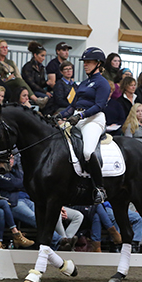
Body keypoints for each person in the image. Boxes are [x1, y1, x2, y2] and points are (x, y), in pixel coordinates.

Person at [54, 47, 109, 204]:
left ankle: (100, 188)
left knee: (87, 151)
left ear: (98, 64)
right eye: (84, 62)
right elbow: (72, 106)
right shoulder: (84, 83)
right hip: (77, 117)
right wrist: (59, 116)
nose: (85, 65)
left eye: (89, 62)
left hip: (93, 119)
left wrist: (80, 116)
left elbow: (99, 106)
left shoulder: (102, 83)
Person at [0, 39, 46, 107]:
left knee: (20, 82)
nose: (5, 49)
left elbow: (18, 75)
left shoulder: (11, 62)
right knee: (18, 81)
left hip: (13, 82)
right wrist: (7, 79)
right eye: (2, 47)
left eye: (6, 47)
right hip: (2, 83)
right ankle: (36, 99)